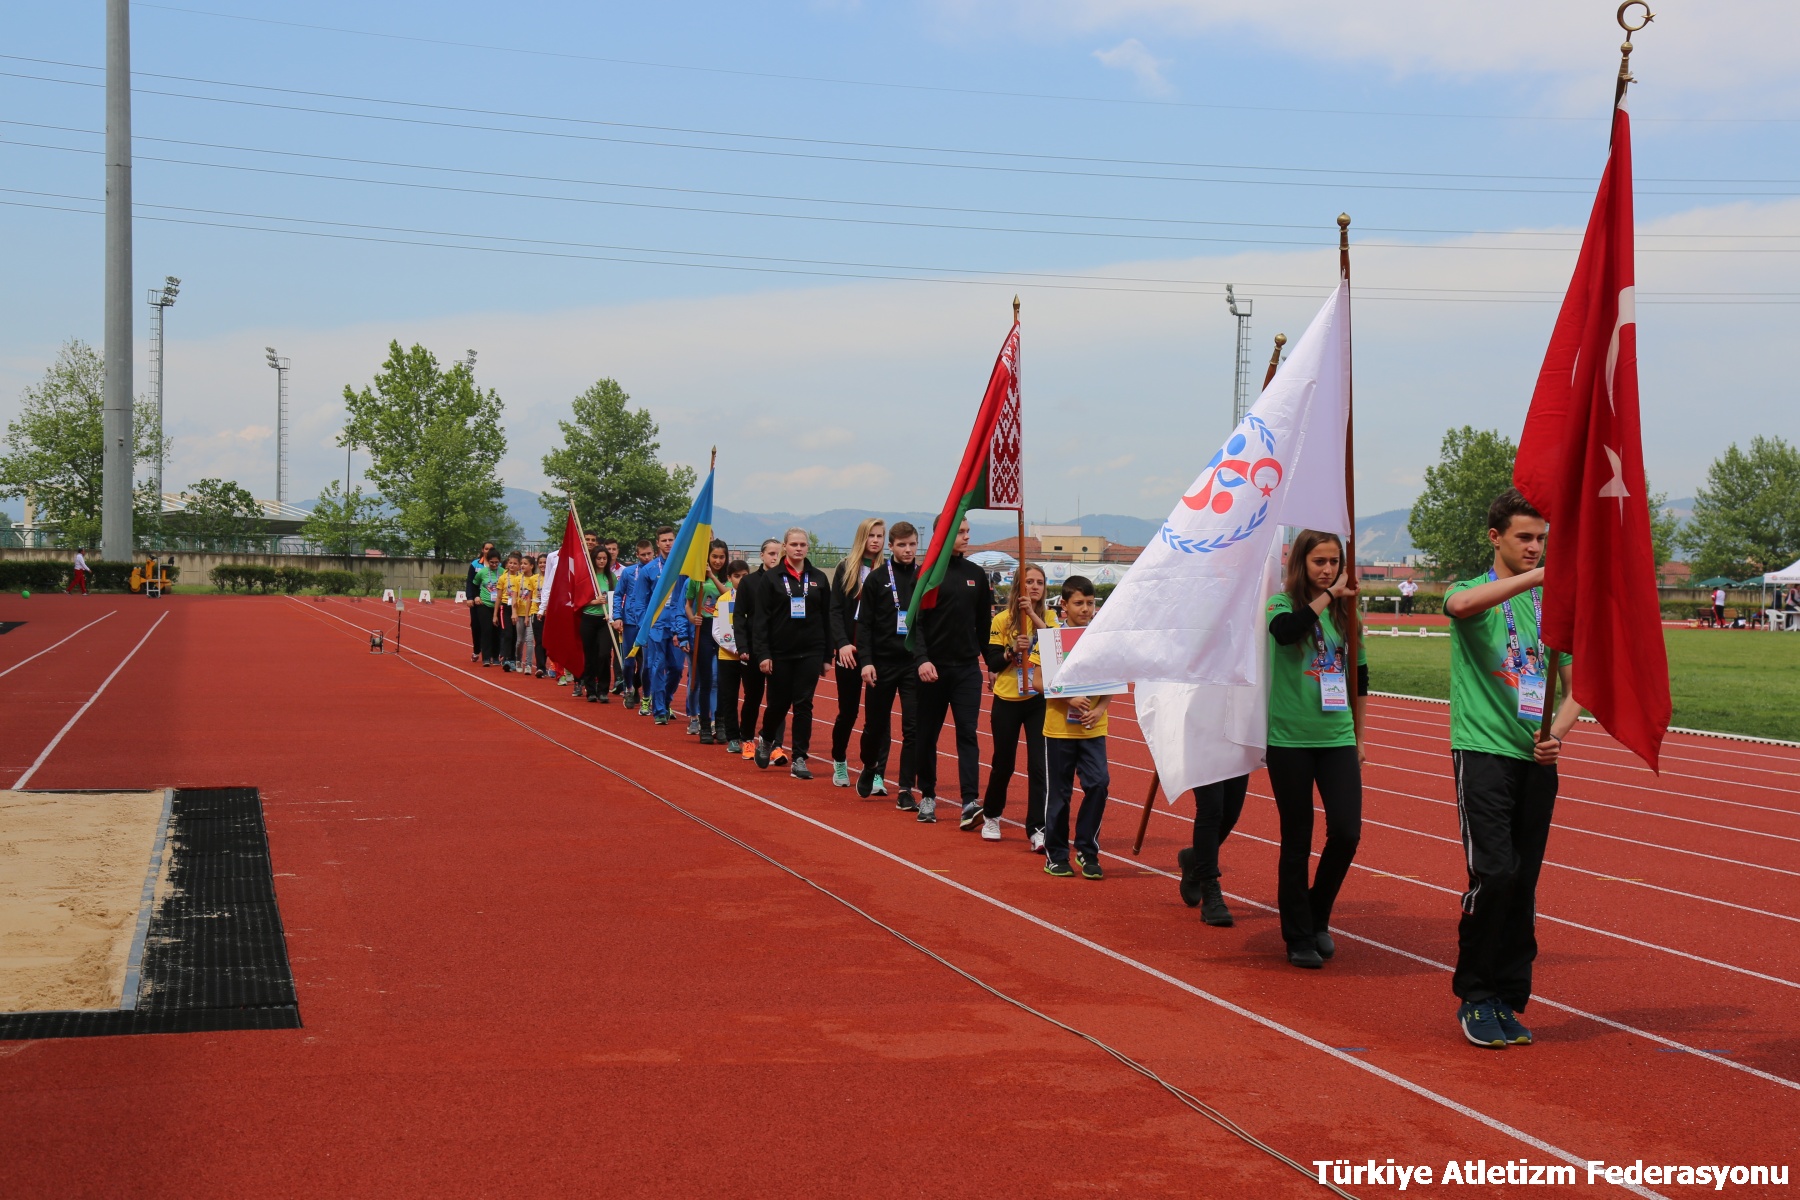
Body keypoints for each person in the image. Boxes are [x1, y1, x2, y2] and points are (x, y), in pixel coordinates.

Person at [1443, 488, 1582, 1050]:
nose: (1534, 547)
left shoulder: (1554, 611)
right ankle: (1474, 995)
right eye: (1525, 538)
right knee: (1493, 874)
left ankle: (1507, 997)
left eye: (1542, 539)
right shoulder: (1472, 590)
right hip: (1481, 754)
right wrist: (1542, 576)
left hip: (1534, 762)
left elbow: (1580, 689)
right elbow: (1459, 608)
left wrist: (1556, 734)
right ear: (1496, 538)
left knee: (1523, 883)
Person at [1265, 530, 1367, 970]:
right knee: (1297, 839)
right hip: (1289, 739)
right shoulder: (1281, 604)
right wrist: (1329, 598)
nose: (1327, 570)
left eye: (1333, 562)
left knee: (1347, 832)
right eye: (1319, 562)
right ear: (1301, 564)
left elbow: (1360, 677)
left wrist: (1361, 737)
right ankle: (1298, 936)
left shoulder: (1348, 614)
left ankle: (1316, 913)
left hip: (1337, 737)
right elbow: (1286, 634)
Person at [913, 517, 992, 825]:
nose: (966, 536)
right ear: (942, 534)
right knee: (927, 736)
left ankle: (970, 802)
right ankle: (928, 797)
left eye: (968, 531)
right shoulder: (928, 574)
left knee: (968, 734)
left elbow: (984, 626)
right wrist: (922, 659)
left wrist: (993, 664)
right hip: (932, 670)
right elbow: (915, 623)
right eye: (960, 532)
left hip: (967, 670)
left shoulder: (976, 574)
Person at [978, 563, 1057, 846]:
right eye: (1029, 582)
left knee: (1039, 766)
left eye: (1039, 582)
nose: (1034, 586)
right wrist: (1013, 651)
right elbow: (993, 660)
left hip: (1037, 700)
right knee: (1004, 763)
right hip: (1007, 699)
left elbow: (1055, 650)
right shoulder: (1001, 620)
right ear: (1018, 587)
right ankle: (991, 816)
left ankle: (1037, 828)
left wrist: (1034, 617)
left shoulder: (1049, 617)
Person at [1041, 576, 1110, 878]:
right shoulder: (1054, 638)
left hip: (1093, 727)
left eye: (1090, 603)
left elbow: (1112, 679)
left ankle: (1086, 849)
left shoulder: (1102, 639)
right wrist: (1068, 697)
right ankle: (1056, 854)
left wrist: (1099, 709)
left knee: (1099, 783)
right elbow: (1038, 681)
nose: (1086, 608)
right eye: (1079, 603)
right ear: (1064, 605)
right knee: (1060, 793)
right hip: (1059, 730)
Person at [752, 528, 831, 780]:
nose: (799, 548)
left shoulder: (818, 578)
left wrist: (827, 655)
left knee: (804, 704)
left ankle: (799, 757)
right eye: (794, 544)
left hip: (811, 651)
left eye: (803, 544)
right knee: (779, 704)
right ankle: (766, 737)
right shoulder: (772, 578)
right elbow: (761, 619)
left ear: (808, 548)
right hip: (780, 652)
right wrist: (763, 654)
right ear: (785, 546)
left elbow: (827, 618)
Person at [856, 521, 925, 808]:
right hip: (882, 664)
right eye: (902, 545)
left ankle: (906, 787)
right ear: (891, 546)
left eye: (912, 544)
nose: (908, 550)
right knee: (875, 725)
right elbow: (864, 625)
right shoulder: (876, 579)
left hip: (912, 664)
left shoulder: (924, 577)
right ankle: (870, 765)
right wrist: (866, 662)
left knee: (913, 728)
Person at [829, 518, 886, 788]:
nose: (875, 541)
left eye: (880, 536)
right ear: (861, 538)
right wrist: (841, 643)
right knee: (848, 712)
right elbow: (836, 611)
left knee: (878, 716)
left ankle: (875, 771)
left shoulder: (888, 570)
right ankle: (839, 761)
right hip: (849, 652)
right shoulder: (845, 568)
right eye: (870, 535)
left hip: (877, 654)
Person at [735, 540, 787, 765]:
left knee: (779, 700)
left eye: (779, 554)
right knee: (753, 697)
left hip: (779, 649)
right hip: (754, 649)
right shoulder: (749, 582)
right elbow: (739, 616)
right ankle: (746, 739)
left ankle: (776, 745)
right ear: (762, 555)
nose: (775, 557)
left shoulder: (787, 581)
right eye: (771, 553)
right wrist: (743, 647)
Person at [1176, 775, 1250, 927]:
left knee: (1230, 812)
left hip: (1236, 751)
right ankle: (1209, 888)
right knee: (1211, 808)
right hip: (1200, 751)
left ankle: (1196, 858)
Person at [640, 526, 689, 725]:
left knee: (677, 668)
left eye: (671, 540)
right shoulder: (649, 570)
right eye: (664, 540)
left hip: (677, 625)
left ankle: (666, 700)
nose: (668, 543)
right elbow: (640, 602)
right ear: (658, 543)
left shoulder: (684, 568)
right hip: (657, 627)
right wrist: (645, 626)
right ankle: (659, 709)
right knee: (657, 667)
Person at [686, 539, 731, 743]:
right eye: (714, 557)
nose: (718, 561)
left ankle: (720, 724)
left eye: (721, 557)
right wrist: (691, 617)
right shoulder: (696, 580)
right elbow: (687, 604)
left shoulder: (728, 579)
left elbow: (728, 596)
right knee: (706, 680)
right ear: (707, 557)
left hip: (723, 629)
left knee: (721, 680)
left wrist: (712, 576)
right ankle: (705, 723)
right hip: (704, 629)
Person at [714, 559, 751, 753]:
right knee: (729, 697)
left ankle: (747, 735)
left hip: (750, 657)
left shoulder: (756, 598)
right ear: (729, 578)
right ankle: (733, 737)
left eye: (745, 576)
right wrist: (734, 648)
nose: (741, 580)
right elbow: (717, 630)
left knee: (751, 697)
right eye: (737, 576)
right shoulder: (724, 600)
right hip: (728, 656)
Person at [619, 538, 653, 710]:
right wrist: (617, 616)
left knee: (647, 663)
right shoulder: (628, 573)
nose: (647, 557)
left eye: (649, 554)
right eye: (643, 555)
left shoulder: (658, 572)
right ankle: (629, 689)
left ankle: (645, 692)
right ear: (637, 555)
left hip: (649, 623)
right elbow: (618, 595)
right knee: (629, 660)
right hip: (631, 622)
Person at [581, 546, 618, 704]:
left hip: (605, 620)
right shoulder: (587, 578)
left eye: (604, 558)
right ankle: (590, 689)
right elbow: (578, 600)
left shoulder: (611, 578)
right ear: (593, 559)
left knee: (604, 654)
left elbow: (615, 598)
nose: (602, 561)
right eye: (599, 558)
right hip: (588, 619)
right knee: (590, 656)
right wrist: (594, 601)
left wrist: (612, 613)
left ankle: (603, 689)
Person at [472, 548, 504, 666]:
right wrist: (476, 596)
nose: (494, 565)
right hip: (485, 604)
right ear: (487, 561)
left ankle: (495, 656)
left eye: (496, 562)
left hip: (499, 606)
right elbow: (474, 584)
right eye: (492, 562)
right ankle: (486, 657)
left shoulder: (503, 572)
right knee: (486, 631)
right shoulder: (482, 572)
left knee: (497, 632)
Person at [464, 542, 496, 662]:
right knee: (476, 626)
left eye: (491, 549)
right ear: (482, 550)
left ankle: (493, 652)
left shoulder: (498, 565)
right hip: (477, 600)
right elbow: (470, 582)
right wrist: (470, 597)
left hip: (492, 601)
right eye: (486, 549)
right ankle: (477, 650)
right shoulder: (476, 564)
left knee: (492, 627)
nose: (488, 551)